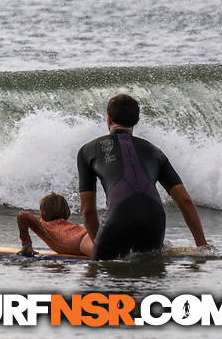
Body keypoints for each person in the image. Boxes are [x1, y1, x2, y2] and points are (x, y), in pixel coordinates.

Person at [77, 93, 212, 259]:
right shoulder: (155, 151)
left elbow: (88, 210)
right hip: (154, 220)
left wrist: (98, 245)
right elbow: (184, 200)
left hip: (118, 216)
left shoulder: (87, 151)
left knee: (103, 271)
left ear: (109, 119)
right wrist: (202, 246)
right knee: (149, 273)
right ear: (137, 120)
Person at [16, 192, 93, 257]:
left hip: (83, 242)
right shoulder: (68, 225)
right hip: (92, 233)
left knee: (102, 254)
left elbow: (22, 215)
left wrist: (26, 244)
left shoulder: (44, 227)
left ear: (42, 213)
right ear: (66, 212)